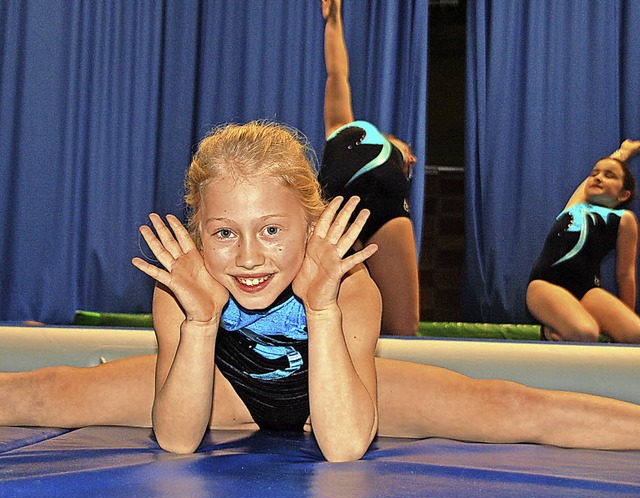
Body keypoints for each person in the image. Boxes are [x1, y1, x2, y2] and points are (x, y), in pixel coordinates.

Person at [5, 121, 640, 462]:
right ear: (198, 230)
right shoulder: (185, 280)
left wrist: (322, 303)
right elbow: (175, 438)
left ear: (311, 225)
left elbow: (342, 445)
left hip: (334, 389)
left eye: (273, 230)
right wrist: (200, 324)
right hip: (221, 385)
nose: (249, 257)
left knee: (510, 406)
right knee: (49, 389)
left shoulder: (345, 275)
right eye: (224, 232)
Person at [318, 0, 419, 336]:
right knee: (334, 318)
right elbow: (337, 71)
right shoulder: (341, 125)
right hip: (336, 206)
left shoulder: (387, 155)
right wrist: (335, 19)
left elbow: (337, 73)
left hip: (368, 200)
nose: (411, 155)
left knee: (401, 327)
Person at [527, 139, 640, 343]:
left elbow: (625, 274)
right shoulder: (574, 207)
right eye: (594, 173)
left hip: (587, 291)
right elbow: (600, 171)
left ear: (624, 194)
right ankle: (548, 331)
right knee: (586, 333)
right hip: (545, 286)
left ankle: (570, 324)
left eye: (609, 176)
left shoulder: (624, 219)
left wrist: (624, 318)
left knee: (636, 335)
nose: (598, 178)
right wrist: (623, 152)